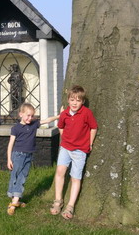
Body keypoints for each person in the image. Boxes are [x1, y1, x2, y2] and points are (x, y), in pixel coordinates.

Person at [50, 85, 98, 220]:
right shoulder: (64, 113)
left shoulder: (86, 113)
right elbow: (60, 127)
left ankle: (70, 206)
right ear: (68, 100)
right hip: (65, 148)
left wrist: (89, 143)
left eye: (77, 100)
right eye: (72, 100)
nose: (74, 103)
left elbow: (93, 128)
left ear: (82, 101)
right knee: (60, 173)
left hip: (80, 151)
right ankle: (58, 200)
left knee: (75, 177)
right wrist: (65, 139)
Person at [7, 102, 60, 215]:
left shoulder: (33, 124)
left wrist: (59, 116)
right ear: (21, 114)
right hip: (18, 155)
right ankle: (14, 200)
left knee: (23, 176)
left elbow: (46, 120)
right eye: (28, 115)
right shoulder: (15, 128)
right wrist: (9, 159)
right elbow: (10, 144)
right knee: (15, 176)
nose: (30, 118)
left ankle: (15, 198)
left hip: (29, 155)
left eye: (32, 116)